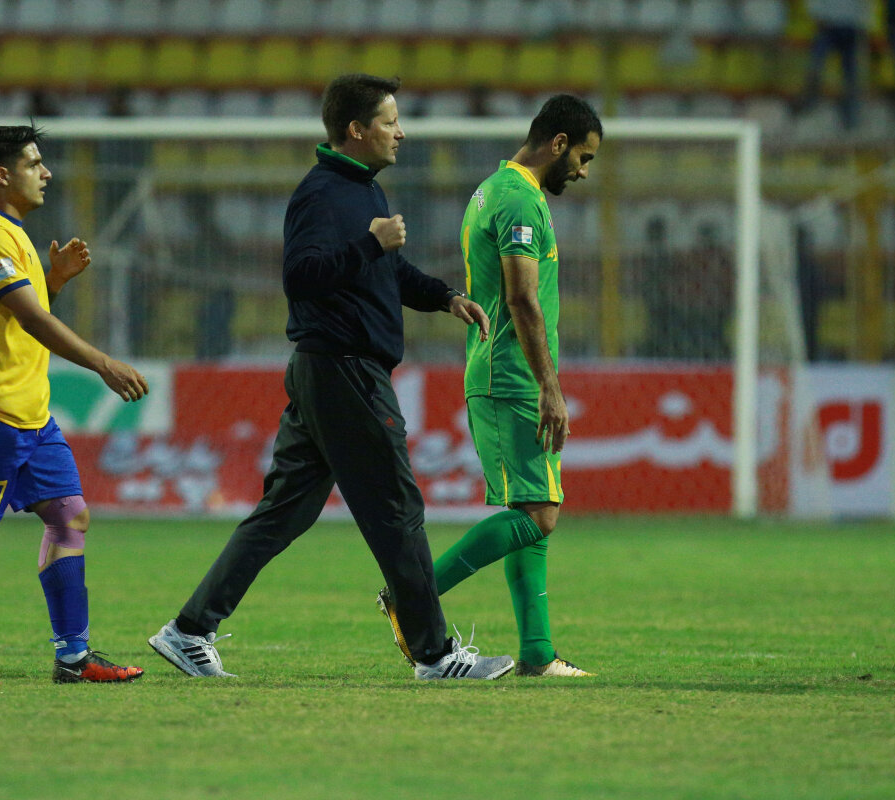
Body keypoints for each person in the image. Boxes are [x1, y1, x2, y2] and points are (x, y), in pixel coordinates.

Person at [148, 73, 514, 681]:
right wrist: (370, 245)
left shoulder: (362, 190)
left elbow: (386, 273)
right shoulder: (322, 193)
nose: (401, 132)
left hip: (328, 372)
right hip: (345, 371)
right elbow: (300, 276)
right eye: (390, 121)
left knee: (284, 512)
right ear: (356, 130)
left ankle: (189, 629)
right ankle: (435, 654)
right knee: (397, 509)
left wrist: (444, 296)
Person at [380, 95, 602, 677]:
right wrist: (549, 386)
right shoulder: (518, 198)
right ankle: (412, 596)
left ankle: (538, 653)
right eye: (583, 157)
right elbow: (522, 298)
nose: (583, 171)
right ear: (558, 143)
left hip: (506, 370)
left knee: (532, 507)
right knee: (540, 513)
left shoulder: (492, 189)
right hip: (511, 374)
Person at [0, 124, 149, 685]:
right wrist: (103, 363)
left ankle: (74, 658)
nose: (46, 172)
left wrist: (54, 279)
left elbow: (20, 309)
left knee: (71, 517)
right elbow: (32, 320)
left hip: (30, 412)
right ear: (3, 175)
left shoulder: (15, 234)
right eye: (34, 163)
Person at [796, 0, 870, 129]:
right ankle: (809, 103)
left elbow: (864, 5)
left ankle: (851, 117)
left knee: (851, 77)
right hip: (828, 26)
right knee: (815, 66)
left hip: (850, 28)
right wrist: (817, 16)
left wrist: (862, 24)